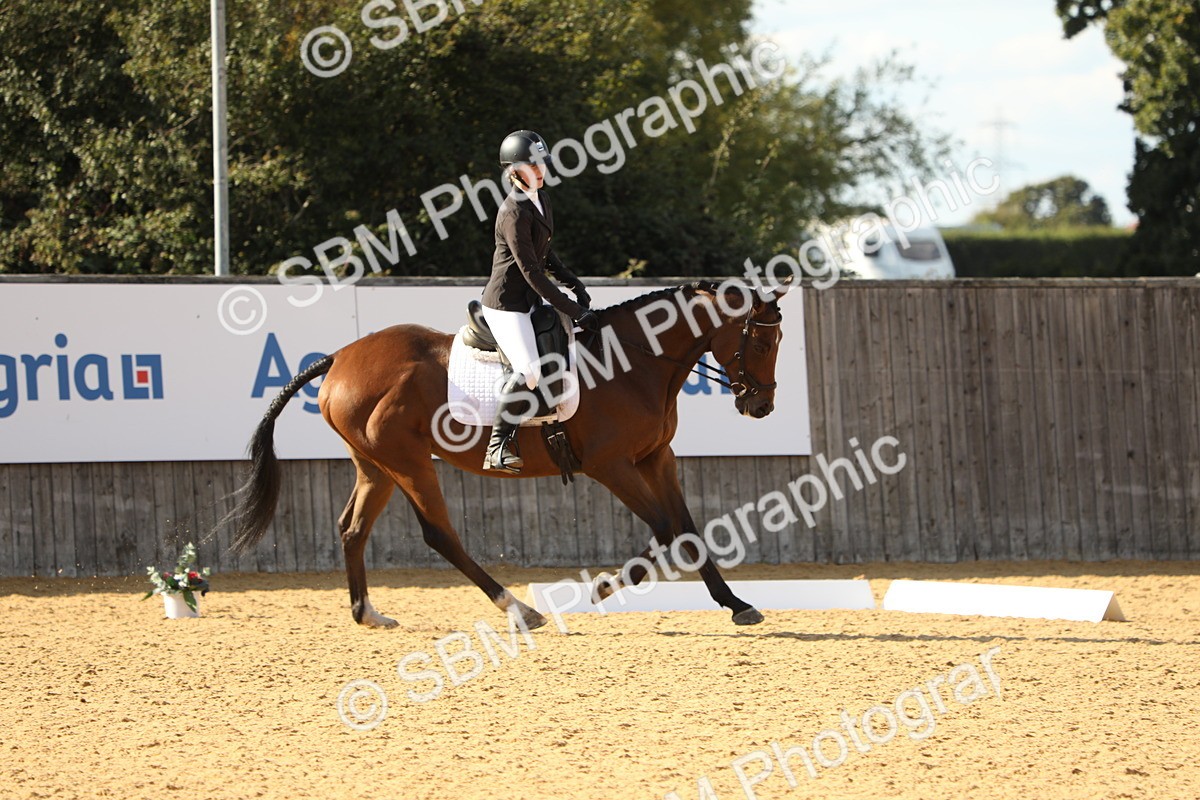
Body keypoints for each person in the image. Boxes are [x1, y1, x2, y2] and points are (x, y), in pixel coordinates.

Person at [480, 130, 598, 474]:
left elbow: (546, 254)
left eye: (542, 163)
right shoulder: (513, 212)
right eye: (533, 165)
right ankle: (497, 445)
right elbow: (531, 271)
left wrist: (574, 282)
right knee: (529, 371)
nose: (541, 170)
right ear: (514, 172)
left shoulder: (541, 200)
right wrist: (572, 309)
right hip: (506, 304)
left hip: (529, 299)